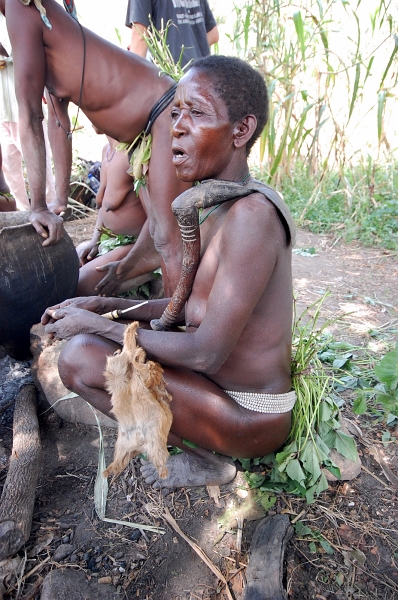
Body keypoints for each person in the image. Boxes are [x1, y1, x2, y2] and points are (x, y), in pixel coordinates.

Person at [41, 55, 297, 490]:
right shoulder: (217, 203)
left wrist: (99, 327)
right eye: (176, 112)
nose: (177, 127)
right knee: (91, 342)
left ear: (241, 130)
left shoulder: (253, 215)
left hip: (250, 412)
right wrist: (105, 306)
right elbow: (190, 308)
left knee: (81, 357)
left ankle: (208, 461)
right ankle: (196, 442)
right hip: (214, 392)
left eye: (197, 113)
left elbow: (205, 353)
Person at [1, 0, 189, 295]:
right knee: (159, 237)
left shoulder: (20, 5)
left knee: (166, 238)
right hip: (147, 125)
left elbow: (28, 114)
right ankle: (164, 304)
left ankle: (185, 327)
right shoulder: (36, 13)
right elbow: (57, 123)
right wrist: (57, 202)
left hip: (161, 111)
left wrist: (37, 206)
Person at [76, 131, 160, 296]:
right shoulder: (107, 149)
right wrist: (94, 240)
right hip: (113, 239)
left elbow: (155, 218)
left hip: (142, 245)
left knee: (82, 284)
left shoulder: (134, 152)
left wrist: (128, 264)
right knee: (72, 263)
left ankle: (152, 270)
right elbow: (103, 206)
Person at [0, 13, 56, 211]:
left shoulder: (16, 16)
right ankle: (24, 215)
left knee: (40, 166)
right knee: (10, 170)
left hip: (23, 110)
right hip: (2, 114)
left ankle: (51, 210)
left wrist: (6, 56)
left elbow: (29, 51)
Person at [126, 0, 219, 65]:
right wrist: (189, 49)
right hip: (201, 77)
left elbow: (140, 37)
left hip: (169, 82)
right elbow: (213, 34)